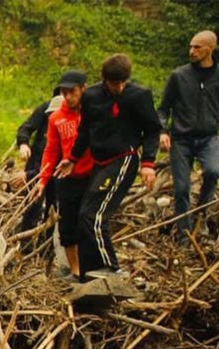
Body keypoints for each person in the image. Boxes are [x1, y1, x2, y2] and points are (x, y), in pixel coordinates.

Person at [62, 54, 161, 280]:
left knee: (93, 214)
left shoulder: (139, 96)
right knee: (83, 215)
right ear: (104, 79)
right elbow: (85, 130)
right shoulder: (91, 97)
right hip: (100, 160)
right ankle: (88, 272)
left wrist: (148, 164)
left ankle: (110, 268)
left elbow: (153, 130)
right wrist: (73, 158)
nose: (119, 87)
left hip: (124, 158)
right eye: (114, 83)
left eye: (122, 82)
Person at [157, 30, 219, 238]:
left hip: (208, 138)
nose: (192, 51)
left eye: (197, 47)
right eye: (190, 46)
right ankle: (183, 237)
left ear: (210, 48)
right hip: (181, 139)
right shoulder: (179, 76)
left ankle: (200, 216)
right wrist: (163, 131)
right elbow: (163, 109)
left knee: (213, 172)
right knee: (181, 189)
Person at [40, 71, 92, 281]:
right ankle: (76, 272)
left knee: (88, 222)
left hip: (92, 174)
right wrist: (43, 180)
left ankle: (92, 269)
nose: (68, 96)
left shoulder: (92, 112)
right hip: (67, 177)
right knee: (67, 228)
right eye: (64, 92)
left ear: (83, 89)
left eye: (72, 92)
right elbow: (51, 150)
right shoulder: (56, 118)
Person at [14, 87, 61, 232]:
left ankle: (48, 246)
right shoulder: (46, 109)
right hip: (37, 160)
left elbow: (57, 162)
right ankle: (26, 245)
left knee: (55, 205)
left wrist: (29, 174)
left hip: (57, 170)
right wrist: (23, 143)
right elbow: (25, 128)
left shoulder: (73, 124)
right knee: (32, 205)